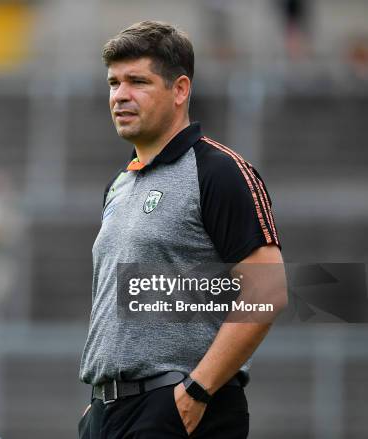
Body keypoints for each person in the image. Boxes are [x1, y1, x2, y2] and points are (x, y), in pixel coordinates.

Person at [78, 21, 287, 439]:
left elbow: (268, 290)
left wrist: (195, 391)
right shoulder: (120, 183)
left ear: (179, 90)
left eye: (137, 81)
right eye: (114, 83)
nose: (120, 95)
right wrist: (99, 406)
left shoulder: (219, 171)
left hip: (182, 407)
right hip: (110, 413)